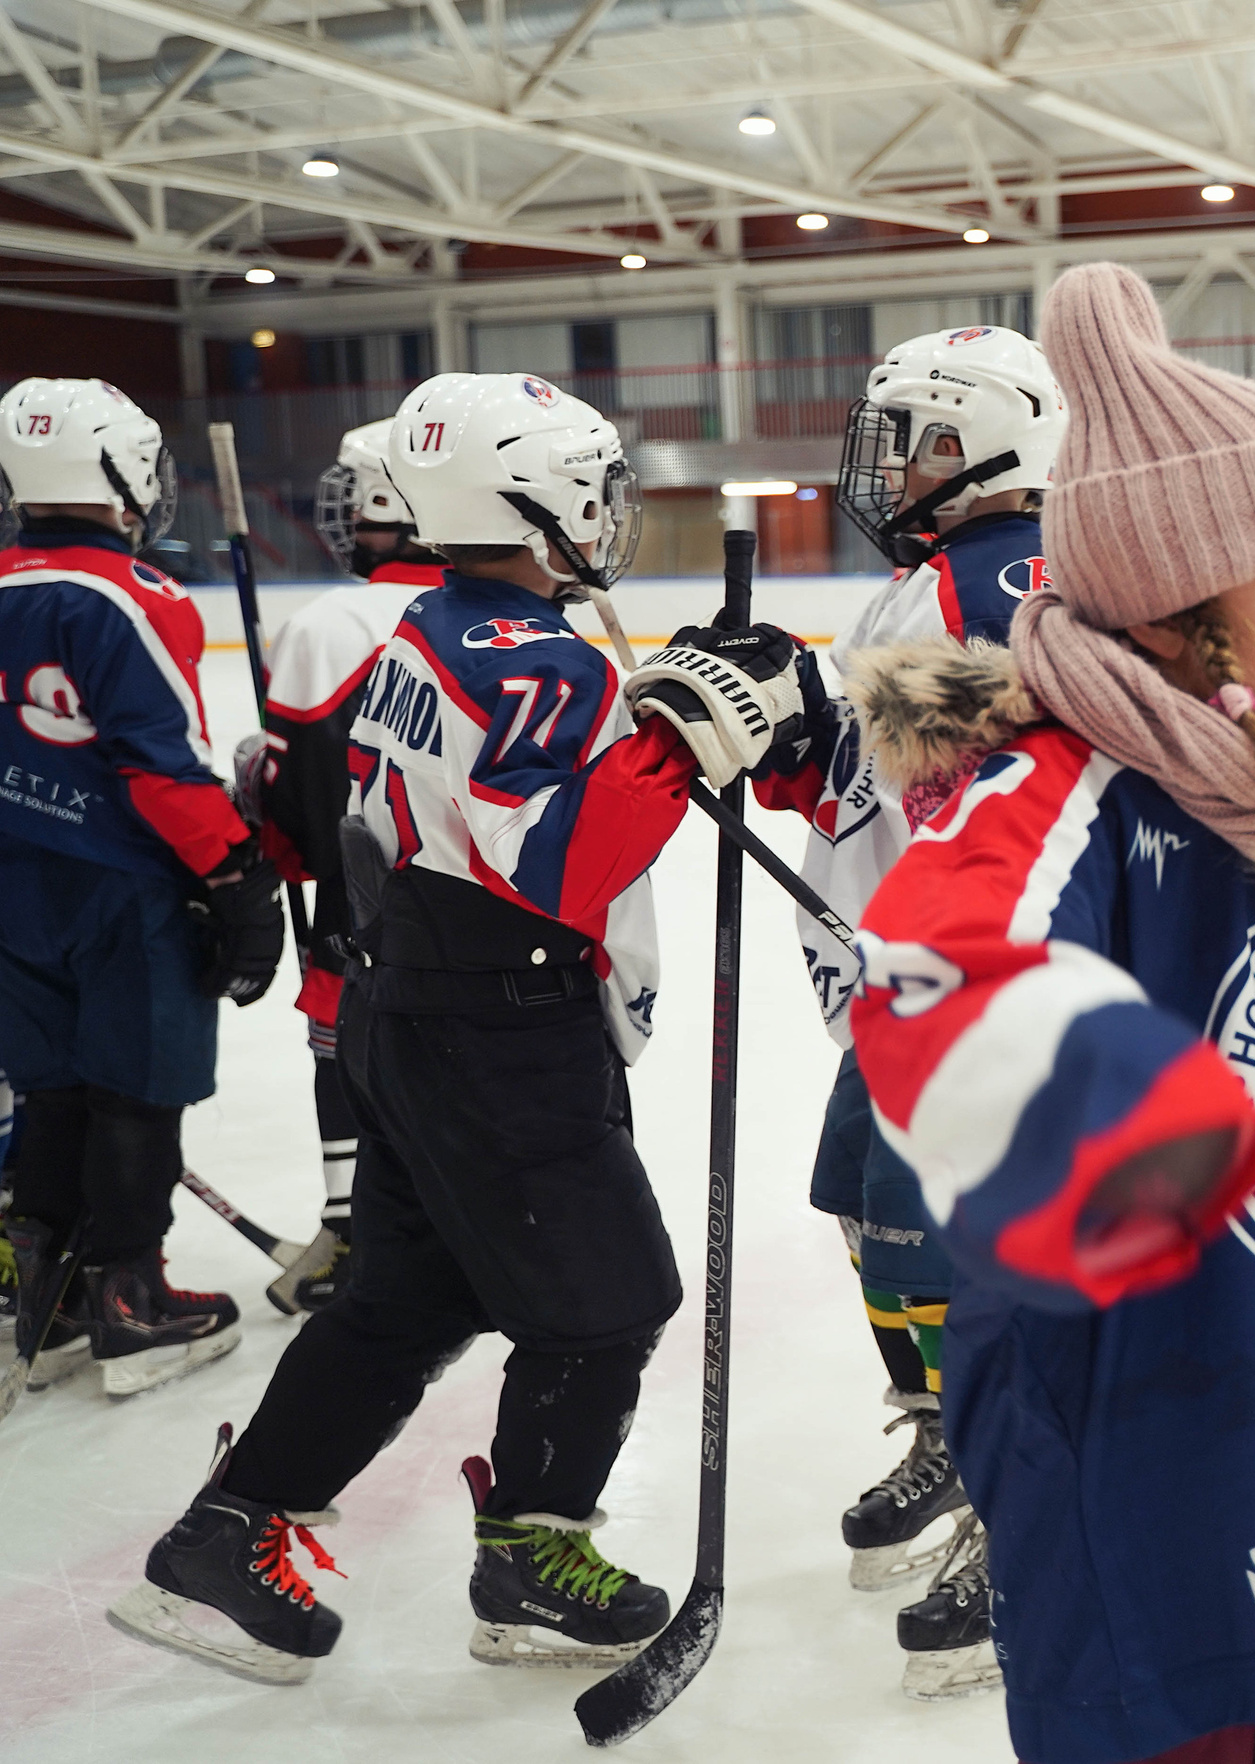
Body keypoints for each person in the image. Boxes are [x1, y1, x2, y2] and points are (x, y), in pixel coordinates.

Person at [845, 261, 1255, 1764]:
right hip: (1137, 1408)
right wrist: (1112, 1126)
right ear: (1188, 612)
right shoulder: (1056, 790)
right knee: (1182, 1721)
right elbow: (936, 976)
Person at [108, 370, 809, 1685]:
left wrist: (667, 717)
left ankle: (229, 1530)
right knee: (606, 1303)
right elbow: (557, 862)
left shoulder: (435, 629)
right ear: (527, 505)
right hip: (500, 1026)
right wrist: (685, 736)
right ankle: (532, 1564)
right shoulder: (530, 660)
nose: (609, 517)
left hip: (410, 1011)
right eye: (592, 494)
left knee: (408, 1297)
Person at [754, 320, 1064, 1699]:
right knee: (878, 1213)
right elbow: (887, 778)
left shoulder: (989, 585)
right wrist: (770, 723)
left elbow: (971, 804)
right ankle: (951, 1430)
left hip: (968, 990)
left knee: (995, 1264)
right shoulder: (952, 579)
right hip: (910, 980)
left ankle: (1027, 1515)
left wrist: (802, 739)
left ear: (993, 439)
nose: (888, 465)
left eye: (919, 437)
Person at [0, 376, 283, 1409]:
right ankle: (131, 1302)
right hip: (120, 885)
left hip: (10, 883)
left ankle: (51, 1296)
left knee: (52, 1087)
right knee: (137, 1088)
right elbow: (158, 769)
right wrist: (238, 875)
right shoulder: (136, 596)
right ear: (116, 471)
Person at [234, 418, 450, 1314]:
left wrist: (258, 786)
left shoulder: (326, 624)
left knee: (345, 1054)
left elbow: (294, 800)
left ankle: (352, 1230)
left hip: (360, 913)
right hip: (485, 916)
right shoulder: (511, 619)